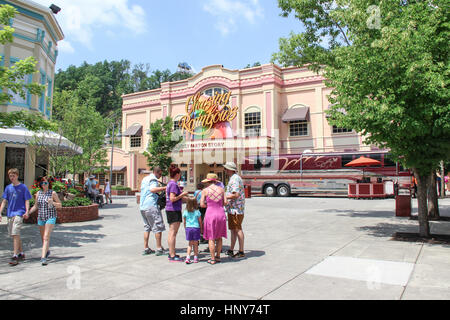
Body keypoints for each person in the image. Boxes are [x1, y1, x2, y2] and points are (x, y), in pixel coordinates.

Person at [0, 168, 32, 266]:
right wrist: (0, 212)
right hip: (10, 213)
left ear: (17, 176)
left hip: (19, 213)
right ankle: (21, 253)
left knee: (15, 232)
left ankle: (15, 255)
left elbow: (27, 200)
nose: (12, 178)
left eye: (13, 176)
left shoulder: (23, 187)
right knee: (14, 235)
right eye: (10, 176)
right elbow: (4, 201)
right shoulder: (8, 188)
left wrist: (27, 211)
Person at [29, 177, 62, 265]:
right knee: (43, 237)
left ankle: (43, 258)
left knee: (46, 237)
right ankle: (46, 251)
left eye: (45, 183)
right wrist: (28, 213)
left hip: (50, 216)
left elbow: (60, 205)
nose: (43, 185)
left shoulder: (53, 193)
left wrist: (53, 203)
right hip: (41, 217)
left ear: (49, 184)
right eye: (42, 183)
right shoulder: (38, 194)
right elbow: (36, 206)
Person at [201, 173, 228, 265]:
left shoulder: (205, 190)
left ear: (208, 181)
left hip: (210, 213)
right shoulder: (221, 189)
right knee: (219, 237)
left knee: (211, 237)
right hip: (220, 213)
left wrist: (208, 205)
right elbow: (225, 202)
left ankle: (212, 258)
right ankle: (218, 256)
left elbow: (202, 204)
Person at [140, 167, 167, 256]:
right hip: (151, 205)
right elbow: (152, 189)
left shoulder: (145, 179)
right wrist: (165, 188)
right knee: (158, 227)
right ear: (157, 172)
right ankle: (159, 248)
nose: (160, 176)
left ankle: (146, 248)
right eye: (160, 174)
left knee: (147, 227)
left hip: (143, 206)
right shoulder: (153, 180)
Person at [166, 164, 189, 262]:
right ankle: (172, 254)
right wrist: (182, 194)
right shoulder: (173, 184)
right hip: (173, 210)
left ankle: (172, 252)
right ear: (177, 174)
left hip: (171, 209)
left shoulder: (170, 183)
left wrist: (189, 199)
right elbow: (172, 198)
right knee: (173, 233)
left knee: (172, 232)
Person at [223, 162, 246, 258]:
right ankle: (231, 249)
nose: (225, 170)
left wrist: (223, 197)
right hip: (233, 208)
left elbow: (235, 194)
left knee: (237, 229)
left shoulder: (235, 179)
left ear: (230, 169)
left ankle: (241, 251)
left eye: (226, 169)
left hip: (236, 209)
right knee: (233, 230)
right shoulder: (234, 178)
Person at [183, 197, 202, 264]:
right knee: (196, 244)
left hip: (188, 228)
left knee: (190, 244)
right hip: (196, 228)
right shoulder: (197, 211)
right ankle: (195, 257)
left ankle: (188, 257)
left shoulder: (185, 211)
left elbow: (184, 221)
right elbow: (200, 221)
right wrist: (201, 228)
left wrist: (185, 228)